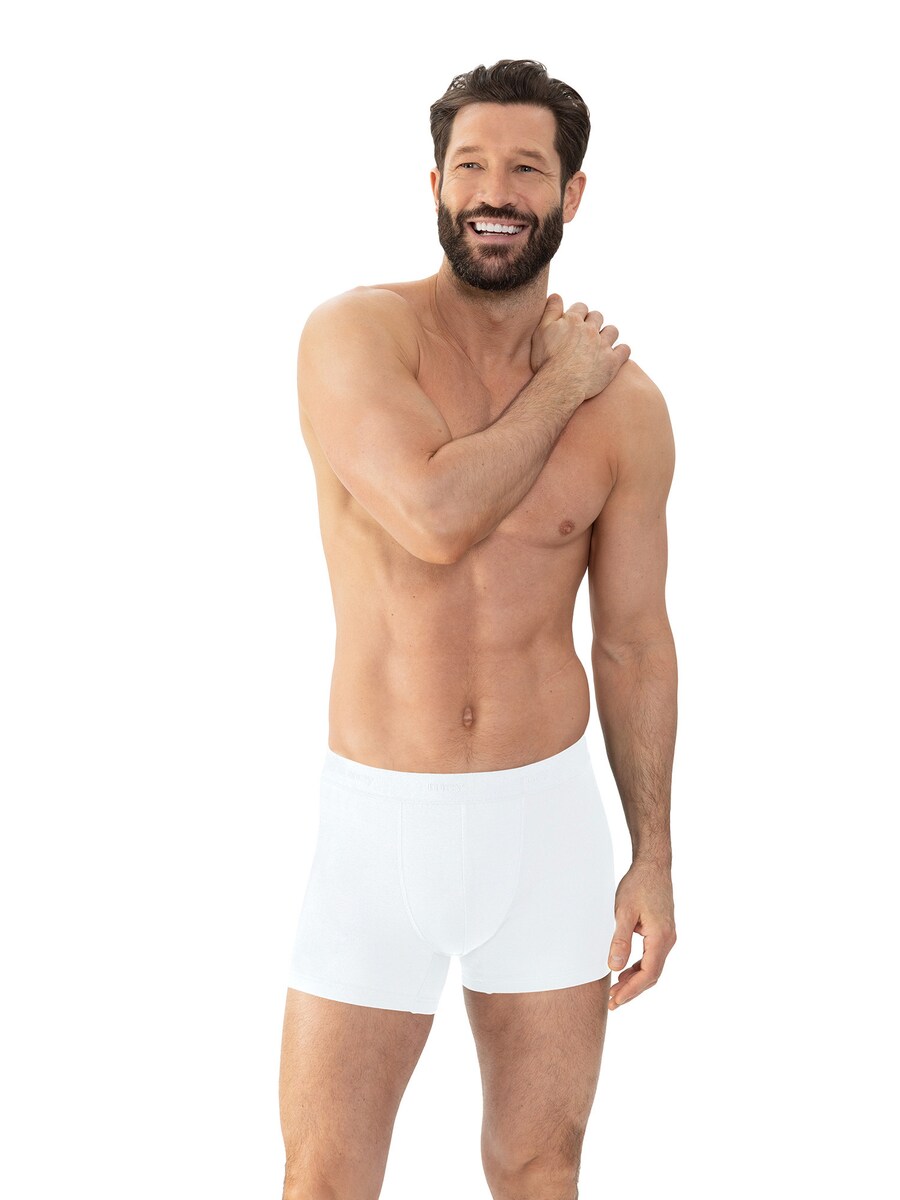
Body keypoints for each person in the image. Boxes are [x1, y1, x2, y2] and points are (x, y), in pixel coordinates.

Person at [279, 58, 677, 1200]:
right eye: (470, 166)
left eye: (526, 169)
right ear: (437, 185)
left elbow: (634, 642)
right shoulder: (357, 337)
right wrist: (560, 384)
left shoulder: (629, 412)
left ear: (572, 193)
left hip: (544, 827)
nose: (495, 192)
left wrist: (653, 855)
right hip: (377, 826)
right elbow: (434, 515)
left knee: (540, 1168)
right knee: (326, 1178)